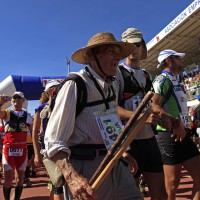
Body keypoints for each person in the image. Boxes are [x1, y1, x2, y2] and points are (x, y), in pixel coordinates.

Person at [44, 32, 145, 200]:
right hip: (86, 169)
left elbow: (109, 125)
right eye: (111, 51)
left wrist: (123, 152)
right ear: (92, 56)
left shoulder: (111, 86)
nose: (118, 57)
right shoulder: (75, 85)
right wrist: (72, 178)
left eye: (118, 53)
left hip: (114, 161)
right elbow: (53, 141)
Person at [116, 27, 167, 199]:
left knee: (161, 193)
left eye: (136, 44)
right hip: (129, 142)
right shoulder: (118, 73)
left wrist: (165, 118)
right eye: (128, 45)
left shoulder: (146, 74)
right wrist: (140, 117)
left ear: (142, 46)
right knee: (132, 195)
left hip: (149, 140)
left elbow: (151, 105)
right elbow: (112, 108)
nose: (133, 49)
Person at [152, 49, 200, 199]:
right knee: (172, 185)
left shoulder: (176, 80)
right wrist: (175, 123)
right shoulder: (163, 80)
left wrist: (189, 131)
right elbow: (154, 106)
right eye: (178, 58)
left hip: (184, 133)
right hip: (168, 135)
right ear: (169, 61)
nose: (182, 61)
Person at [32, 79, 64, 200]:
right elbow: (35, 132)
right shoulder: (41, 108)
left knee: (60, 182)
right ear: (47, 92)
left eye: (59, 88)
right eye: (53, 89)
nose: (56, 91)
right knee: (58, 183)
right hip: (49, 150)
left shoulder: (66, 105)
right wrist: (36, 154)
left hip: (67, 148)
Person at [0, 91, 33, 200]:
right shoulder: (8, 113)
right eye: (14, 97)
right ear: (12, 100)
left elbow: (33, 132)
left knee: (20, 179)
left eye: (19, 98)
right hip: (8, 149)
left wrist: (33, 149)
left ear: (23, 101)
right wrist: (0, 103)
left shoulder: (27, 116)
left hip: (22, 150)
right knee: (9, 179)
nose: (16, 99)